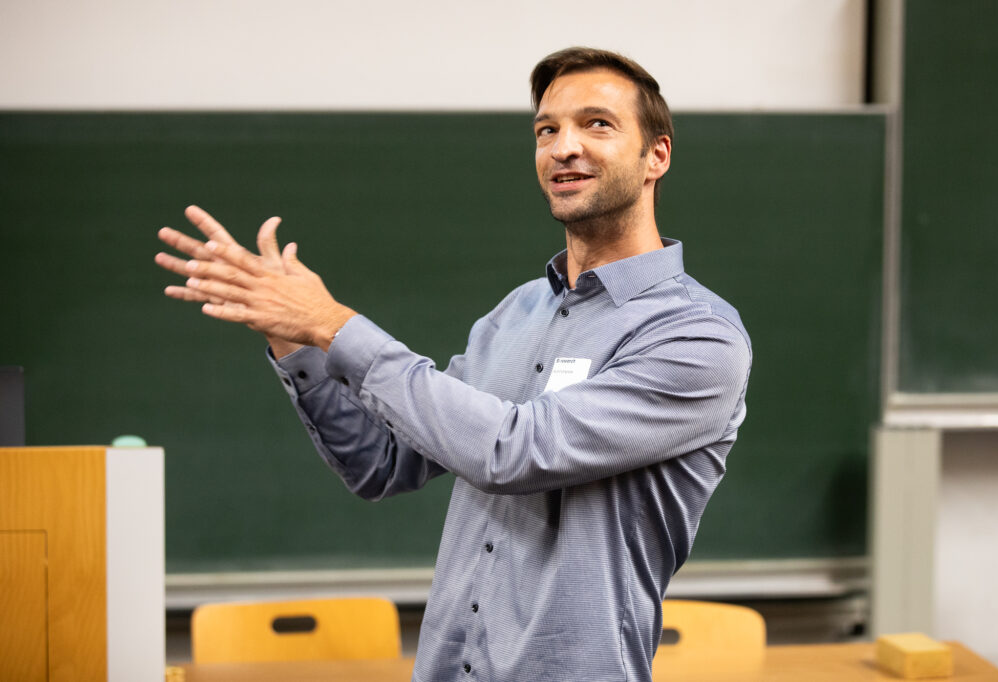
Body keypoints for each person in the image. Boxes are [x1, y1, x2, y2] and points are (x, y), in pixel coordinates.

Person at [156, 47, 751, 682]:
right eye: (546, 130)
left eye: (596, 124)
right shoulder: (516, 315)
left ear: (656, 155)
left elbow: (514, 451)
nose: (563, 147)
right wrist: (293, 340)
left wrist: (333, 324)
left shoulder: (695, 335)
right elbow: (381, 462)